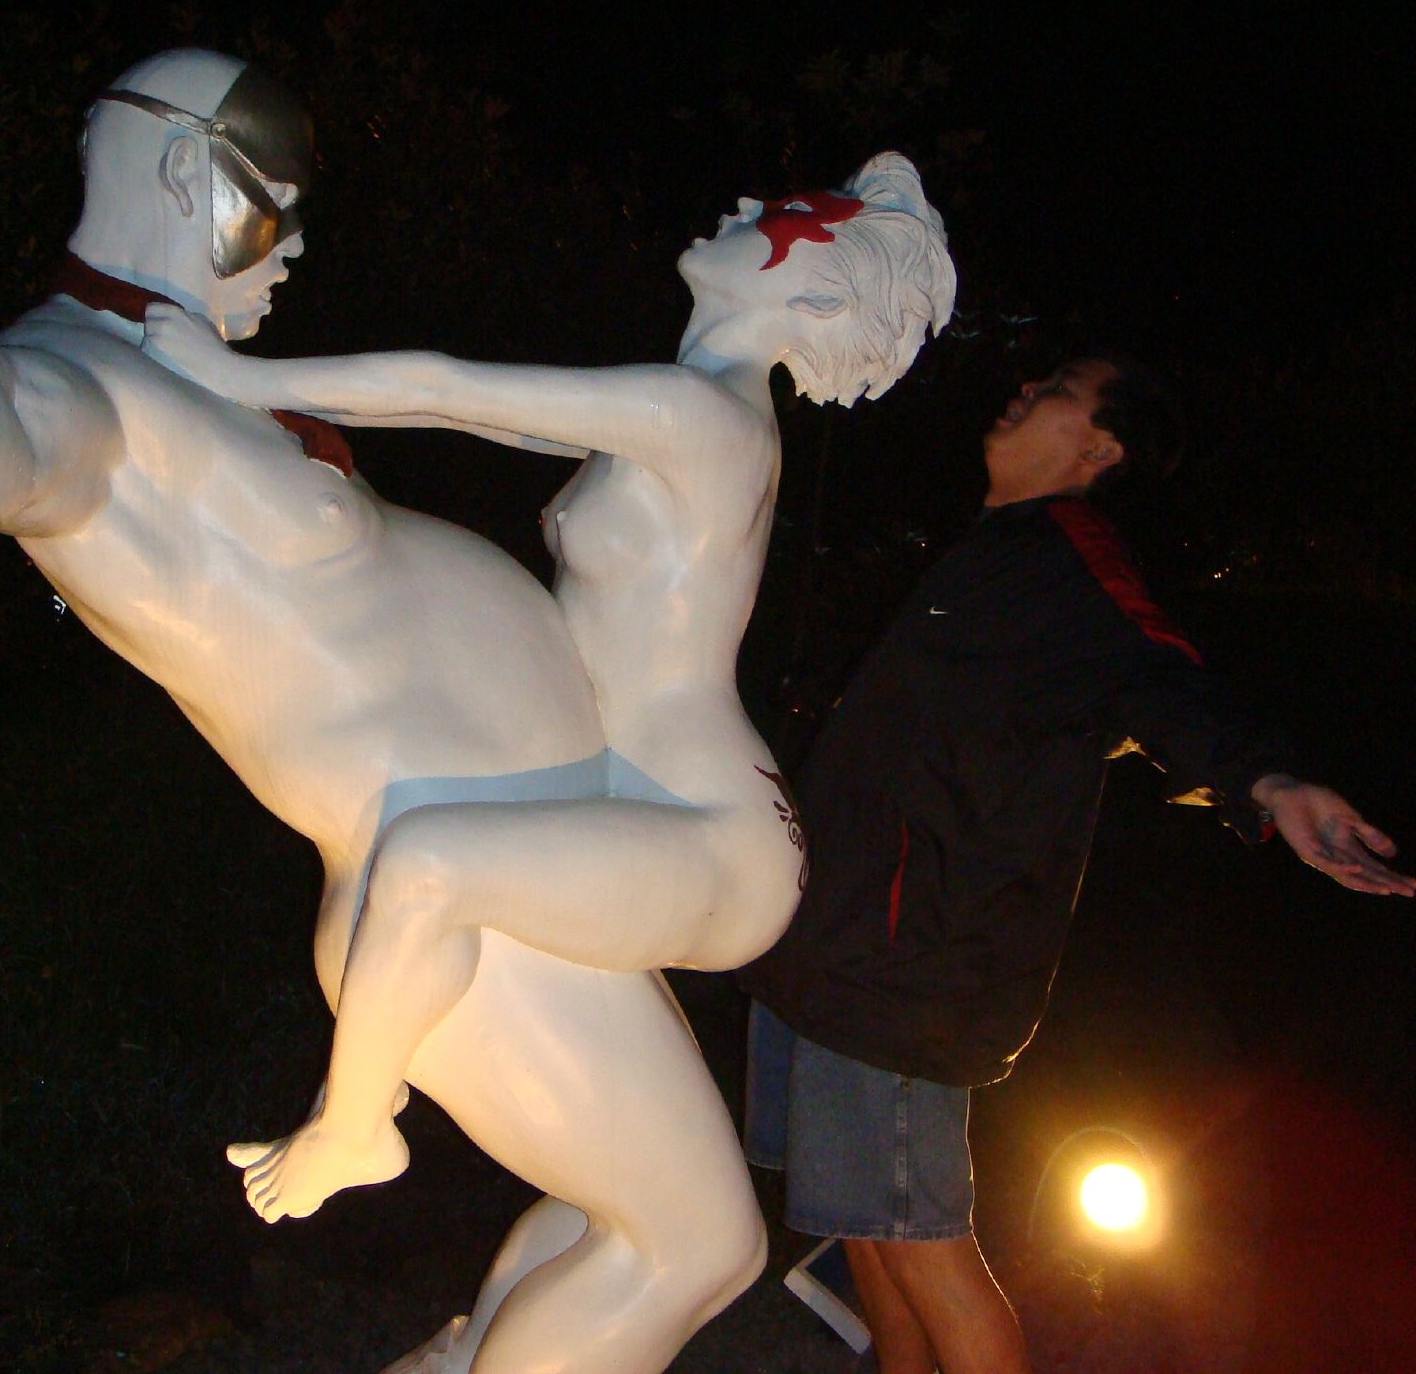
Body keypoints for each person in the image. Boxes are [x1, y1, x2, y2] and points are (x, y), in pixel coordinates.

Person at [0, 48, 788, 1374]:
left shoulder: (175, 369)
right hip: (460, 902)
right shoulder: (88, 381)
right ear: (183, 169)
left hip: (524, 861)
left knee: (647, 1226)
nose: (295, 245)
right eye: (273, 204)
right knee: (688, 1245)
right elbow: (26, 436)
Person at [143, 155, 959, 1228]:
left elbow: (444, 387)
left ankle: (354, 1126)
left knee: (430, 862)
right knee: (437, 877)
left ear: (812, 298)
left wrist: (233, 375)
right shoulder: (682, 407)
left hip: (711, 835)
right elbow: (496, 420)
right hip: (645, 802)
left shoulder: (701, 414)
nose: (750, 205)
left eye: (787, 216)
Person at [738, 356, 1416, 1374]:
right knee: (863, 1225)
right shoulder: (997, 550)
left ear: (1099, 447)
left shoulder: (1070, 557)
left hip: (904, 962)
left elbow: (1152, 672)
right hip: (834, 940)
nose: (1026, 388)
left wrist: (1268, 781)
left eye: (1059, 388)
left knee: (921, 1241)